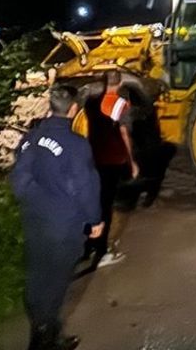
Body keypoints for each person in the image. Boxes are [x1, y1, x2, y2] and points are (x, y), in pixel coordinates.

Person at [11, 84, 104, 350]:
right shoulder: (76, 144)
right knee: (56, 283)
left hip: (34, 220)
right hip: (63, 227)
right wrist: (95, 220)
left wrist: (37, 201)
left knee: (37, 275)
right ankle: (43, 340)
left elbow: (19, 179)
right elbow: (86, 186)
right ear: (74, 109)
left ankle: (48, 334)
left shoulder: (30, 138)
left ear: (51, 106)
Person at [84, 71, 141, 268]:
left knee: (94, 199)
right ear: (120, 83)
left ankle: (89, 244)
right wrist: (131, 161)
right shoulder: (121, 105)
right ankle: (102, 250)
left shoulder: (91, 103)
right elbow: (124, 134)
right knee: (106, 205)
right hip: (113, 160)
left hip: (93, 158)